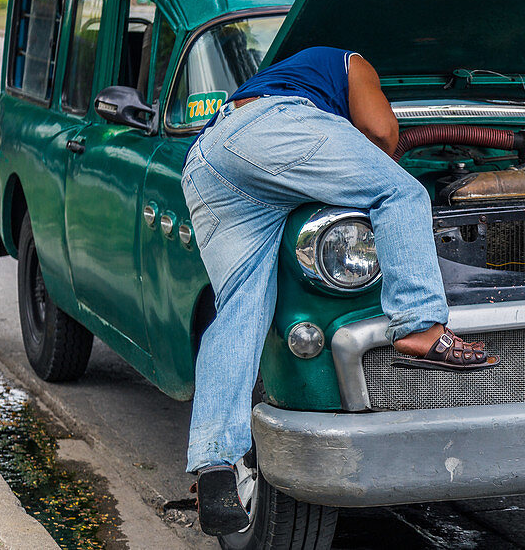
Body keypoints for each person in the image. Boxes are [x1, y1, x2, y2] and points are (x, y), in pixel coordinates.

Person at [181, 46, 498, 536]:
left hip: (208, 162)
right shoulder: (351, 62)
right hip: (269, 127)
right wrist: (389, 162)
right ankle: (420, 325)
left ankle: (215, 465)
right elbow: (380, 131)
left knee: (242, 309)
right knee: (402, 191)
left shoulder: (294, 75)